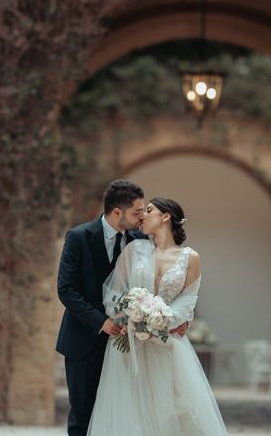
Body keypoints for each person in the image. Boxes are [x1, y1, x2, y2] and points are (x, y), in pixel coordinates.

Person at [88, 197, 228, 436]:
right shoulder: (133, 250)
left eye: (149, 210)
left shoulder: (189, 257)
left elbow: (187, 301)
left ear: (166, 216)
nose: (142, 216)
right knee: (129, 408)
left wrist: (158, 320)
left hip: (166, 343)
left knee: (171, 411)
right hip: (129, 343)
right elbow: (114, 293)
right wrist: (132, 315)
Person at [56, 180, 187, 435]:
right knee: (83, 412)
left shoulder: (141, 241)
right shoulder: (79, 237)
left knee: (125, 415)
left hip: (130, 344)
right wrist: (100, 322)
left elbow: (166, 277)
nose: (142, 218)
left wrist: (177, 316)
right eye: (137, 212)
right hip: (85, 339)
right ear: (118, 212)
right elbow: (66, 289)